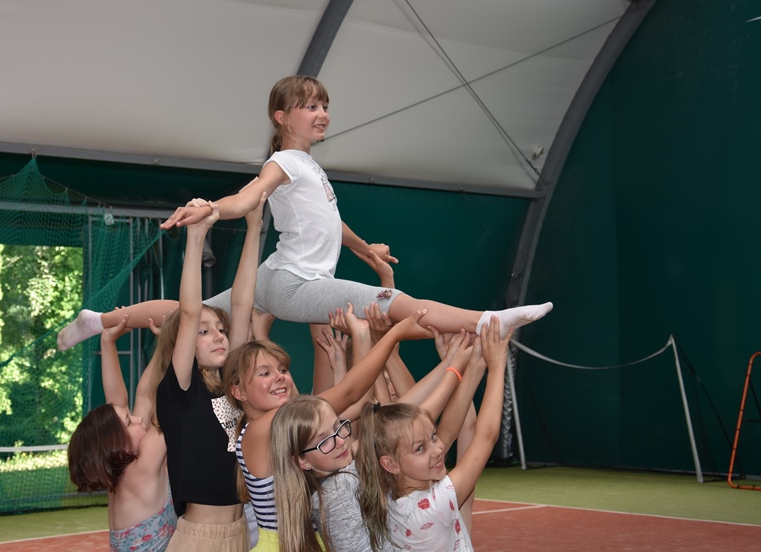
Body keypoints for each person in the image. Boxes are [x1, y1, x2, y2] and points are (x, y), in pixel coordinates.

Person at [57, 75, 551, 350]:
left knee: (194, 313)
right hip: (294, 284)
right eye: (310, 107)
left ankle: (98, 320)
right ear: (282, 117)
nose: (322, 114)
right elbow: (249, 198)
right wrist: (211, 207)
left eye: (324, 105)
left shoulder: (309, 168)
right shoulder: (284, 161)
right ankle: (487, 320)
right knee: (393, 302)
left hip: (276, 277)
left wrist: (363, 248)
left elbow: (329, 222)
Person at [226, 304, 433, 551]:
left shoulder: (289, 425)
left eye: (282, 369)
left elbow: (362, 404)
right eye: (264, 373)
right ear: (239, 392)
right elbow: (349, 392)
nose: (279, 376)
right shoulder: (258, 431)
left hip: (312, 542)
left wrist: (453, 366)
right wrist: (393, 335)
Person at [269, 326, 479, 552]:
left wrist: (451, 364)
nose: (340, 441)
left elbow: (412, 415)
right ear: (302, 460)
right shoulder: (338, 490)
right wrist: (452, 368)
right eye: (324, 441)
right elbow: (416, 419)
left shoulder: (344, 471)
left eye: (338, 427)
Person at [154, 192, 265, 551]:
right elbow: (188, 312)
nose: (218, 336)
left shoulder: (232, 384)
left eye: (220, 329)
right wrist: (196, 236)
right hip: (200, 537)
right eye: (204, 333)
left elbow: (242, 303)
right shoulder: (180, 392)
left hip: (239, 531)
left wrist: (254, 227)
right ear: (183, 343)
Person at [354, 315, 512, 551]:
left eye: (433, 437)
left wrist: (475, 364)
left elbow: (449, 428)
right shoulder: (434, 506)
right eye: (420, 448)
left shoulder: (391, 495)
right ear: (390, 464)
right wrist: (497, 368)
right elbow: (486, 436)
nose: (438, 449)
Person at [68, 316, 175, 552]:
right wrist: (169, 342)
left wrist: (108, 342)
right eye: (129, 422)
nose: (138, 418)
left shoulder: (119, 476)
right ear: (117, 445)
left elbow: (138, 398)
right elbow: (169, 402)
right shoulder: (141, 470)